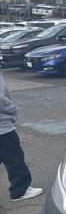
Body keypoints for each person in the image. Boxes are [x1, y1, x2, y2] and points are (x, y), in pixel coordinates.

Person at [0, 72, 42, 201]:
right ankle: (20, 190)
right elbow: (1, 99)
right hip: (2, 126)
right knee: (14, 158)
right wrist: (12, 109)